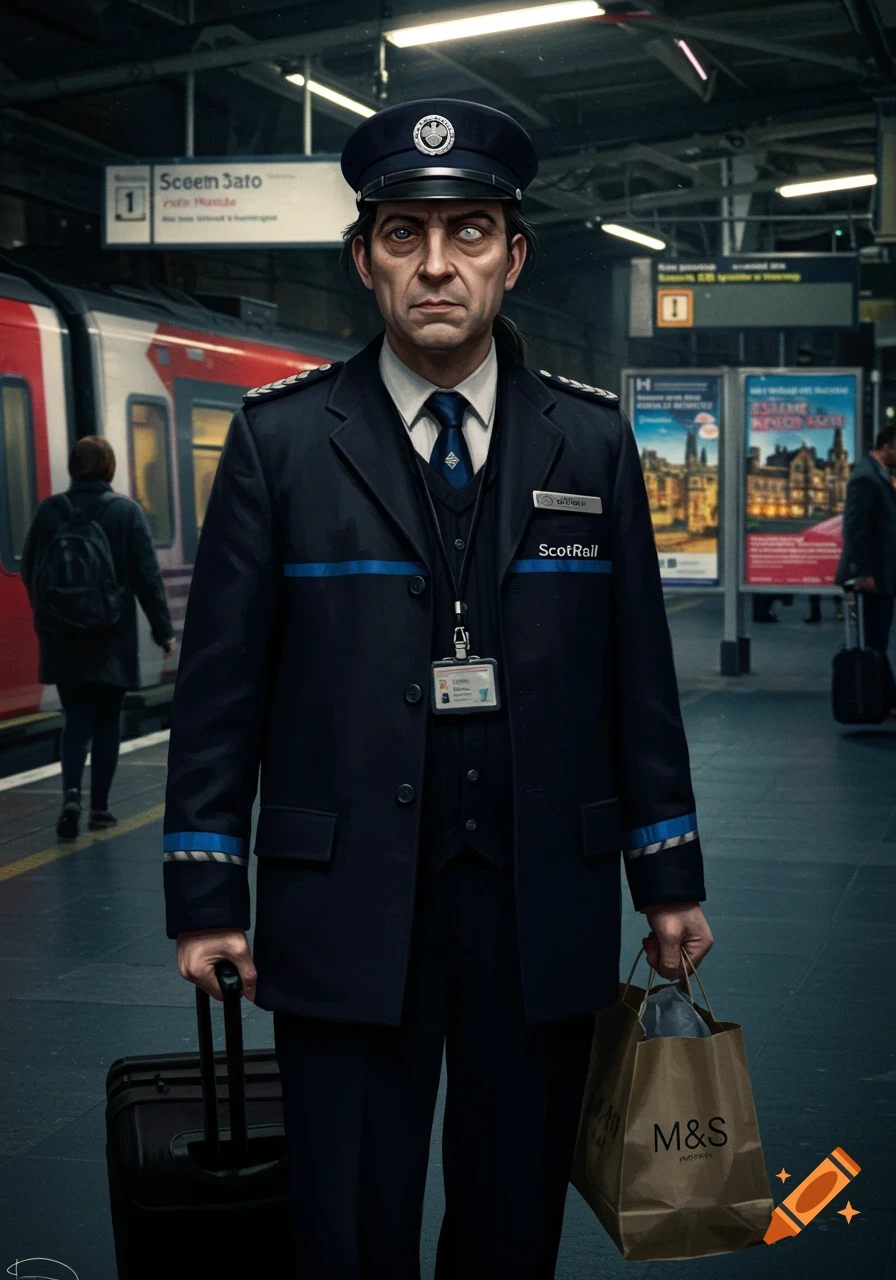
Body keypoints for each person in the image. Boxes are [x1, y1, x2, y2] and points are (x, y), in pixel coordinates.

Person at [164, 98, 713, 1279]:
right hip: (341, 900)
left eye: (467, 231)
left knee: (512, 1225)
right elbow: (220, 691)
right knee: (347, 1230)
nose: (435, 264)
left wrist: (666, 878)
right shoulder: (280, 443)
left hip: (538, 901)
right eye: (403, 234)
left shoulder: (592, 443)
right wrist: (205, 893)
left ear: (512, 257)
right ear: (363, 258)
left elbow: (637, 683)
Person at [21, 436, 176, 841]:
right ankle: (101, 809)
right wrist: (164, 633)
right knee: (107, 721)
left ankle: (72, 793)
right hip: (110, 637)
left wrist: (50, 614)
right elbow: (147, 579)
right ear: (109, 468)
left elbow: (30, 569)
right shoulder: (125, 512)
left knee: (75, 720)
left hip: (63, 638)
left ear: (73, 468)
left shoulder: (50, 512)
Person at [835, 423, 896, 712]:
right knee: (875, 638)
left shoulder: (879, 476)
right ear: (889, 446)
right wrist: (862, 573)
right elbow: (855, 529)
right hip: (872, 575)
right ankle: (881, 699)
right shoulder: (866, 478)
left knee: (878, 639)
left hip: (881, 573)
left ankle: (884, 698)